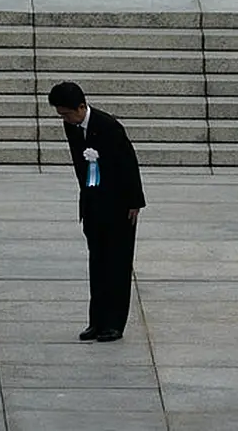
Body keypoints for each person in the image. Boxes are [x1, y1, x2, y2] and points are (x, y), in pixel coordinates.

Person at [48, 81, 145, 342]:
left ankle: (114, 323)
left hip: (120, 206)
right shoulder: (72, 126)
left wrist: (134, 202)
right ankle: (97, 321)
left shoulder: (109, 127)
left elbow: (128, 163)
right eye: (61, 115)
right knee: (98, 263)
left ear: (82, 106)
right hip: (94, 205)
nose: (65, 119)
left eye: (67, 113)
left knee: (118, 265)